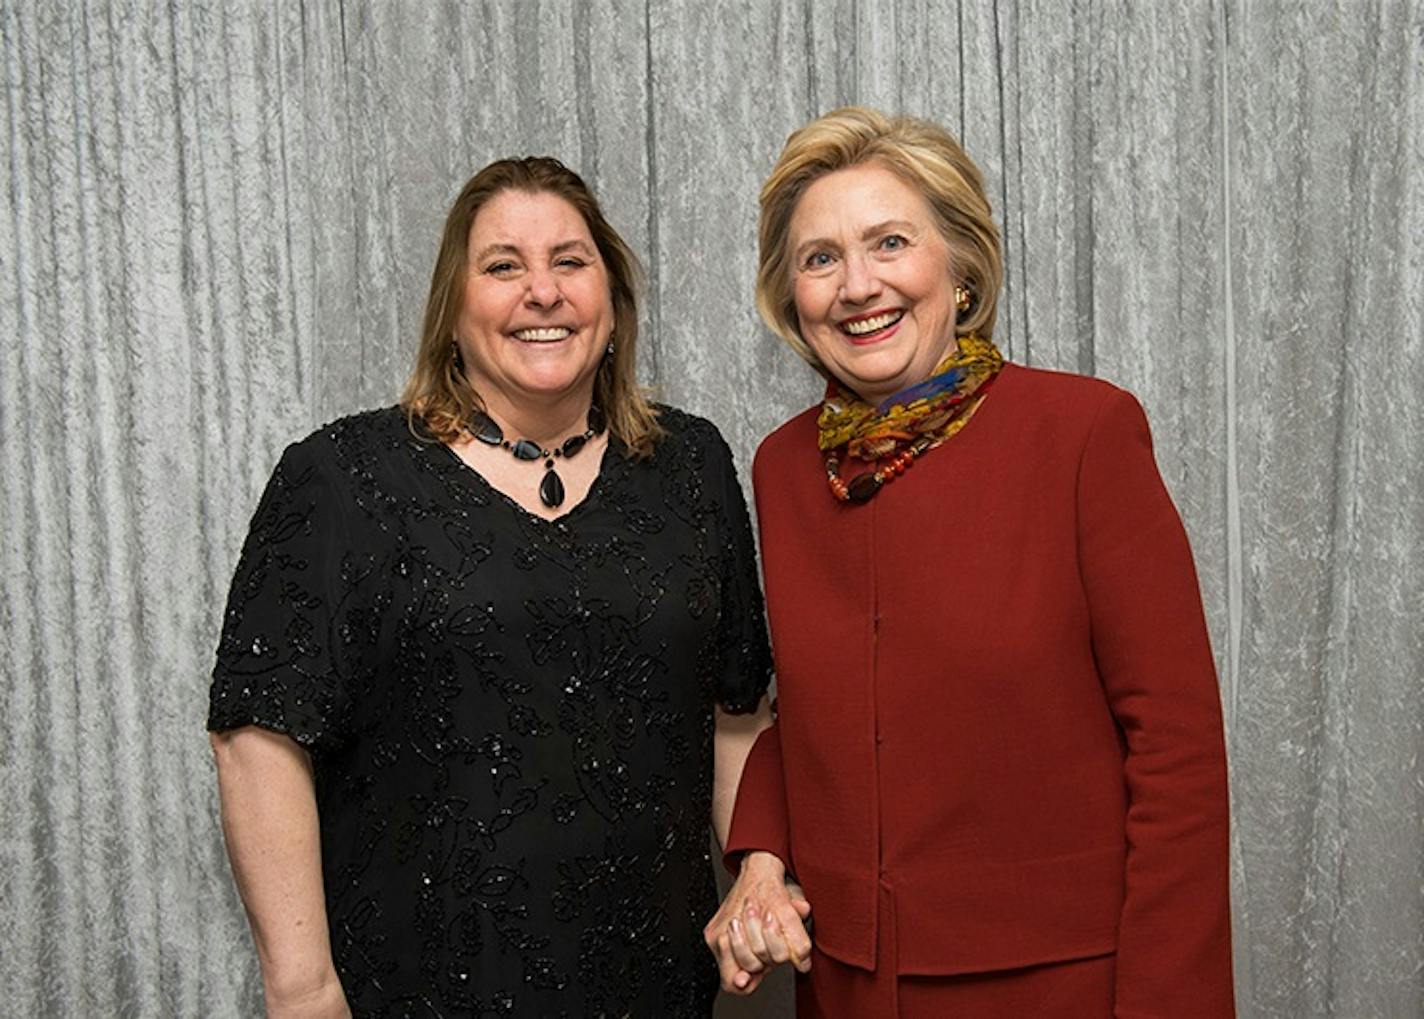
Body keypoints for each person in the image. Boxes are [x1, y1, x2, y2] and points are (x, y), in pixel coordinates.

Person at [208, 156, 774, 1018]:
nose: (541, 291)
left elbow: (736, 711)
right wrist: (302, 986)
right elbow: (258, 735)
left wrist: (755, 876)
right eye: (503, 265)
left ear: (613, 302)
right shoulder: (344, 477)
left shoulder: (691, 466)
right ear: (452, 311)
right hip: (418, 984)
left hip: (653, 983)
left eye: (571, 262)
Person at [705, 107, 1235, 1017]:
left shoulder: (1082, 434)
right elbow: (818, 713)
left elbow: (1178, 753)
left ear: (959, 268)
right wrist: (760, 855)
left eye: (890, 242)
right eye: (820, 257)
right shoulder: (783, 467)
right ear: (790, 296)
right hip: (848, 983)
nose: (856, 284)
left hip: (1058, 979)